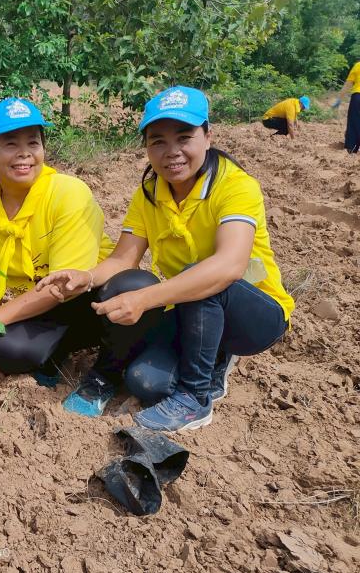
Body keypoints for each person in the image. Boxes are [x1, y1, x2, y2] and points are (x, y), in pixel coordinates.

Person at [37, 86, 295, 431]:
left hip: (253, 315)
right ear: (146, 147)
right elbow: (123, 259)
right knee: (145, 381)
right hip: (191, 309)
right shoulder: (149, 194)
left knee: (201, 277)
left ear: (208, 136)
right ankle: (202, 357)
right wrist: (86, 277)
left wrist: (145, 299)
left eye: (184, 138)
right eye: (158, 141)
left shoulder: (235, 186)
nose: (172, 152)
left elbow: (229, 267)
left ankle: (195, 397)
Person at [0, 97, 162, 417]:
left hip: (93, 299)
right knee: (5, 351)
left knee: (133, 284)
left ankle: (105, 374)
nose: (24, 153)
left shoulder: (67, 193)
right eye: (10, 143)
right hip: (45, 305)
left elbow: (62, 287)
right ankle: (56, 354)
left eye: (33, 142)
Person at [332, 60, 360, 153]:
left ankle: (352, 148)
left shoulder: (358, 65)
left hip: (358, 97)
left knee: (354, 122)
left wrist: (339, 99)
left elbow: (348, 84)